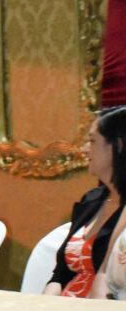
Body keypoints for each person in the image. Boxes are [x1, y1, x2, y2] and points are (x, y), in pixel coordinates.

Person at [42, 106, 126, 298]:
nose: (85, 149)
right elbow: (60, 274)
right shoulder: (92, 200)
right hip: (63, 306)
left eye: (92, 141)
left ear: (118, 145)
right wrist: (45, 306)